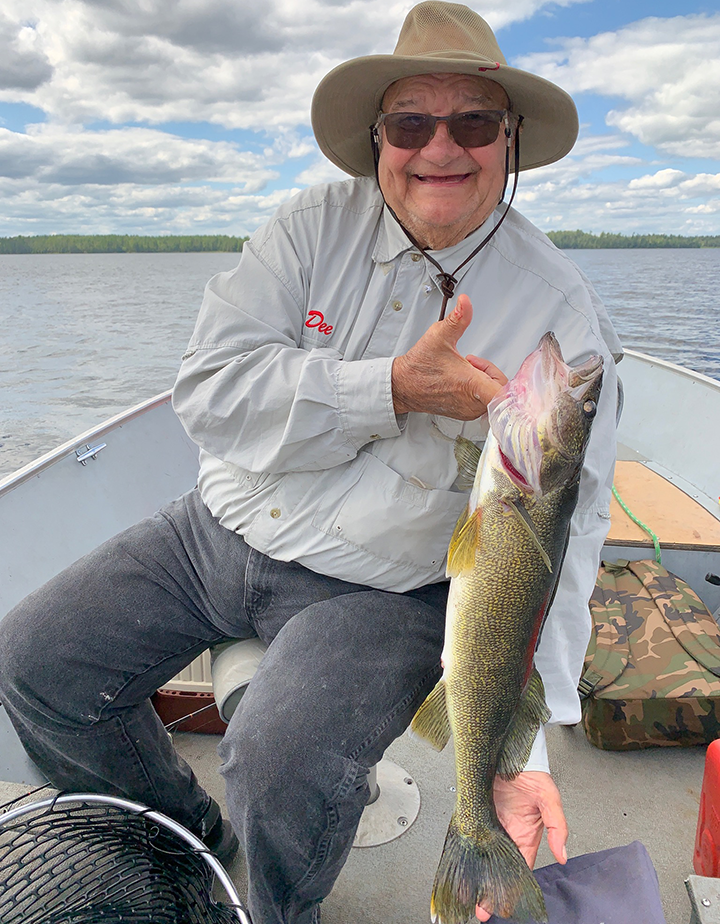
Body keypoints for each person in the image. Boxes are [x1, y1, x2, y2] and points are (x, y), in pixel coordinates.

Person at [0, 3, 622, 922]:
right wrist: (394, 387)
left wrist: (516, 756)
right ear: (378, 137)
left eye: (474, 123)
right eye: (411, 122)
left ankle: (276, 909)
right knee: (35, 662)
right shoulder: (302, 231)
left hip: (388, 586)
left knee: (278, 759)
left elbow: (561, 547)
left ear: (511, 140)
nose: (439, 147)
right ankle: (187, 838)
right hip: (219, 528)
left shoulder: (562, 315)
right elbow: (208, 393)